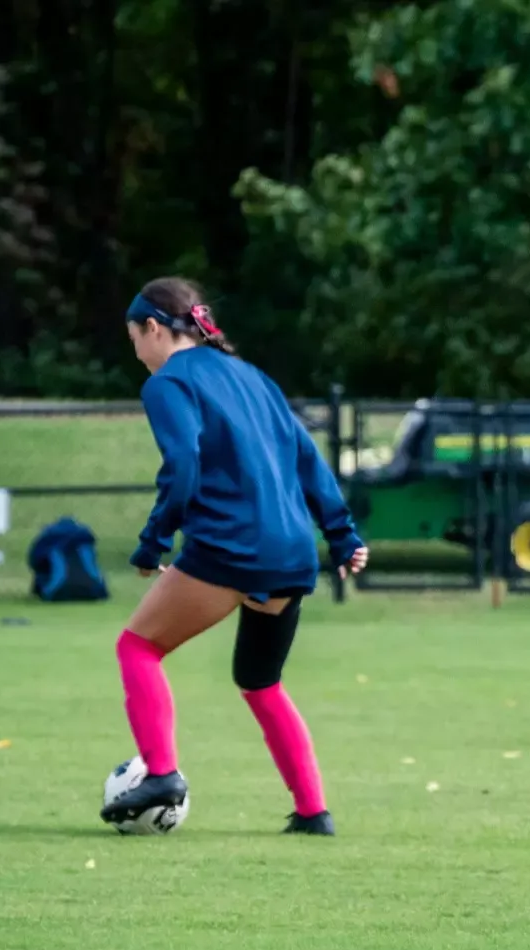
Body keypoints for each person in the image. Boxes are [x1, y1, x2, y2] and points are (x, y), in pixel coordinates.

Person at [101, 278, 368, 835]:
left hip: (231, 545)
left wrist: (154, 542)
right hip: (292, 550)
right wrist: (341, 535)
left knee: (138, 647)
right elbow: (306, 458)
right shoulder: (253, 377)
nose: (136, 352)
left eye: (134, 338)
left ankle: (162, 773)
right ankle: (313, 812)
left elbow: (182, 467)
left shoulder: (168, 383)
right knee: (260, 680)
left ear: (154, 328)